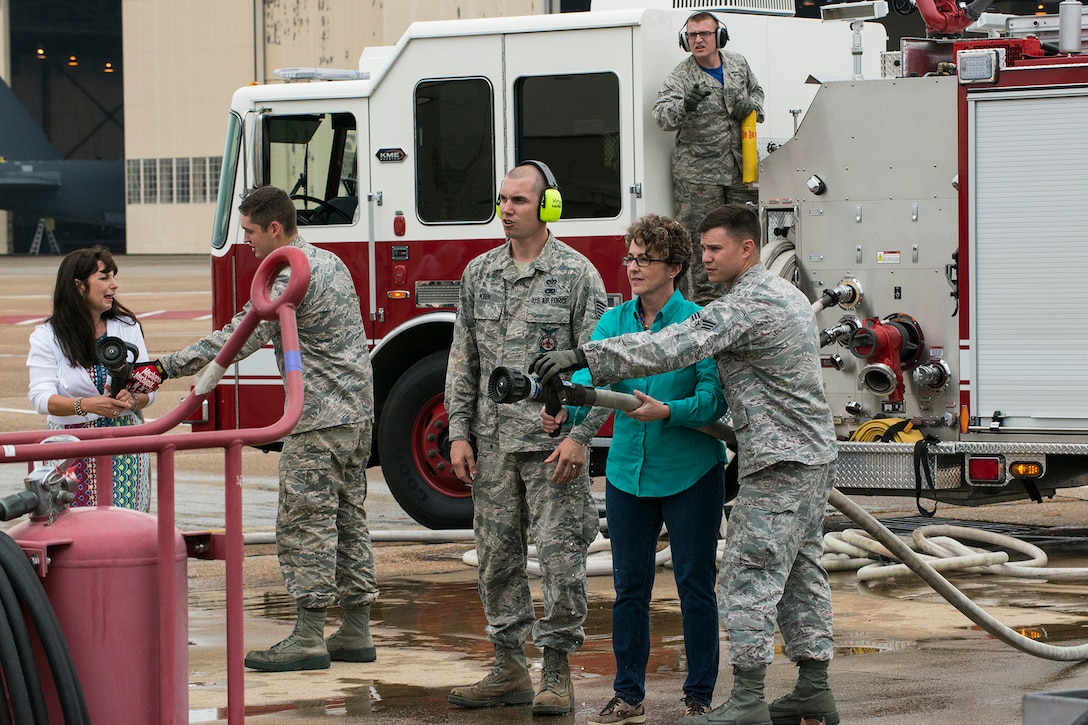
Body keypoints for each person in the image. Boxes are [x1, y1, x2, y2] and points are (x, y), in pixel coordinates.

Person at [532, 203, 839, 725]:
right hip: (805, 456)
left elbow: (678, 344)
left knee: (746, 574)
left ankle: (745, 700)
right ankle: (813, 687)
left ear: (747, 248)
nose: (705, 259)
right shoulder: (784, 294)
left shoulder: (747, 303)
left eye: (714, 249)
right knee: (800, 575)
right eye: (702, 249)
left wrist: (586, 357)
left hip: (780, 461)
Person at [148, 185, 378, 673]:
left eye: (250, 231)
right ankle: (356, 628)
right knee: (347, 521)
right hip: (356, 418)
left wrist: (165, 366)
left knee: (305, 525)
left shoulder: (290, 274)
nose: (247, 242)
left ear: (275, 227)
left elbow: (241, 334)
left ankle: (309, 637)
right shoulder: (329, 261)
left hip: (316, 420)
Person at [540, 214, 729, 724]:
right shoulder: (613, 322)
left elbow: (713, 401)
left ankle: (699, 697)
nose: (632, 268)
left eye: (644, 258)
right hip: (627, 473)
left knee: (694, 584)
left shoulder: (699, 322)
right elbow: (588, 384)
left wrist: (668, 412)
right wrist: (564, 412)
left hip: (691, 471)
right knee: (629, 587)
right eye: (629, 257)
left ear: (675, 267)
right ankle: (628, 694)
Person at [444, 161, 609, 717]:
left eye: (518, 200)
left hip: (551, 448)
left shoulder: (578, 276)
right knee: (495, 560)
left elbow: (597, 368)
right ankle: (508, 666)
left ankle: (557, 671)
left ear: (547, 206)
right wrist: (457, 433)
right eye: (502, 199)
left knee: (562, 563)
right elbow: (463, 358)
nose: (506, 210)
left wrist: (581, 437)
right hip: (490, 448)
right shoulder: (479, 274)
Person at [27, 245, 155, 511]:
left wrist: (133, 399)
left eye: (114, 276)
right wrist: (86, 406)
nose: (114, 285)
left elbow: (148, 389)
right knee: (73, 526)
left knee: (122, 521)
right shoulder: (47, 335)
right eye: (104, 277)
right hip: (68, 448)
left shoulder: (127, 327)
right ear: (78, 285)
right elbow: (40, 398)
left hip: (123, 447)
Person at [652, 11, 764, 306]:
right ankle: (705, 313)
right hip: (699, 178)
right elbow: (661, 116)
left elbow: (758, 93)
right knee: (705, 250)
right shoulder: (682, 76)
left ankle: (747, 304)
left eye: (704, 34)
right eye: (692, 35)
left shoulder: (738, 64)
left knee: (744, 241)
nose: (698, 40)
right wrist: (685, 105)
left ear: (719, 37)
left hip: (741, 172)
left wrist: (750, 107)